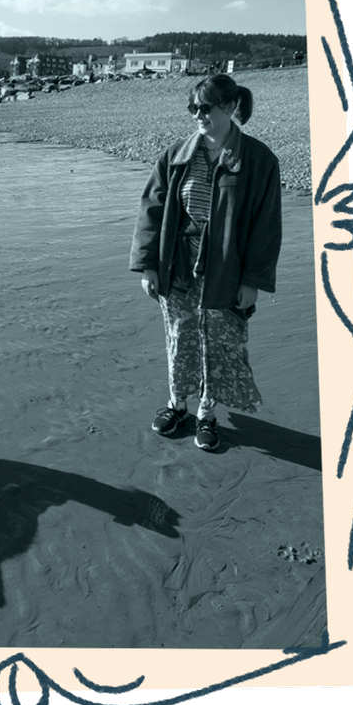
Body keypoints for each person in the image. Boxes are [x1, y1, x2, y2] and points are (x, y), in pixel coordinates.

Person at [132, 70, 284, 455]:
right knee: (179, 338)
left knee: (219, 343)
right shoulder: (175, 155)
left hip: (226, 270)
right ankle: (177, 406)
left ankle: (206, 414)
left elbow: (266, 227)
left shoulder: (259, 160)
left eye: (205, 107)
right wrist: (148, 264)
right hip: (178, 267)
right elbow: (152, 211)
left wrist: (253, 279)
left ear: (231, 107)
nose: (198, 115)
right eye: (192, 108)